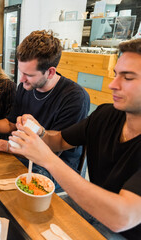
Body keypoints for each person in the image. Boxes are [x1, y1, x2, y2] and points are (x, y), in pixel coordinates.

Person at [9, 38, 141, 239]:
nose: (113, 84)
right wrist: (39, 132)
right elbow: (59, 140)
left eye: (128, 77)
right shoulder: (106, 115)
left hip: (124, 232)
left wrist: (46, 158)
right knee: (18, 220)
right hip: (90, 209)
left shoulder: (74, 96)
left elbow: (120, 218)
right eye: (115, 74)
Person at [0, 30, 90, 190]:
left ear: (50, 72)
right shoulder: (25, 87)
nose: (21, 79)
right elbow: (10, 124)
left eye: (29, 74)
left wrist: (3, 145)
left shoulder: (74, 97)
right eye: (21, 72)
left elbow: (54, 148)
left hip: (54, 170)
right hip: (23, 156)